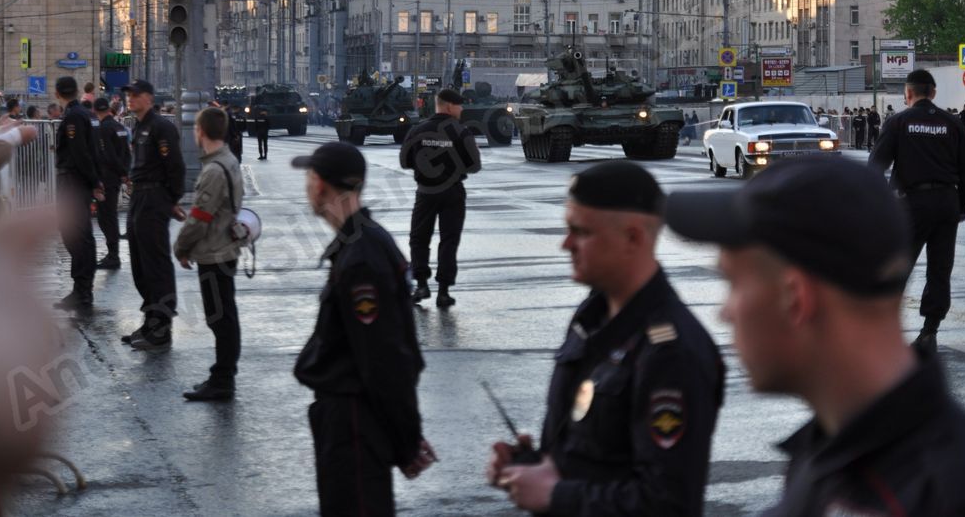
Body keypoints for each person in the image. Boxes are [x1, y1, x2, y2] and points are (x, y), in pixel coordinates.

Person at [663, 156, 965, 517]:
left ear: (796, 298)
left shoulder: (964, 499)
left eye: (733, 284)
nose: (725, 312)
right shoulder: (835, 448)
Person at [487, 161, 725, 516]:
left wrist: (556, 494)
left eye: (580, 232)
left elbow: (667, 504)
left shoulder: (670, 353)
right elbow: (600, 457)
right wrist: (533, 465)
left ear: (633, 237)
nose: (565, 244)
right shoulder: (592, 319)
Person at [291, 142, 436, 516]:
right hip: (354, 420)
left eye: (309, 178)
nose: (307, 186)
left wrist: (405, 441)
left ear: (320, 184)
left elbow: (386, 358)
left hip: (353, 424)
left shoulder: (361, 259)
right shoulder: (365, 242)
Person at [868, 69, 965, 354]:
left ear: (908, 94)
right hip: (945, 203)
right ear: (933, 93)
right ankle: (930, 330)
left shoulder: (898, 122)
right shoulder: (951, 123)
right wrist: (961, 208)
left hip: (910, 204)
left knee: (897, 266)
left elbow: (875, 167)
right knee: (940, 269)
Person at [173, 107, 244, 401]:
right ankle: (222, 374)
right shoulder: (228, 161)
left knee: (220, 318)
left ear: (200, 131)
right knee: (224, 314)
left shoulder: (214, 170)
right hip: (223, 247)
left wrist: (181, 247)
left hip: (214, 252)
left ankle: (223, 379)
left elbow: (200, 216)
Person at [399, 87, 481, 308]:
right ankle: (443, 292)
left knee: (419, 239)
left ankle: (422, 285)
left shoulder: (418, 130)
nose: (462, 109)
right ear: (448, 106)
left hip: (425, 192)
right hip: (453, 193)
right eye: (459, 105)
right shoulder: (461, 131)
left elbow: (404, 162)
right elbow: (475, 166)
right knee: (449, 241)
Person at [121, 79, 185, 351]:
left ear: (148, 97)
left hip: (153, 197)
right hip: (139, 197)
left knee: (156, 265)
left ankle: (161, 328)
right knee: (140, 263)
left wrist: (169, 200)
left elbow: (175, 167)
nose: (130, 99)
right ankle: (150, 320)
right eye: (128, 95)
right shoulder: (140, 126)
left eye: (135, 95)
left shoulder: (161, 127)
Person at [53, 76, 103, 315]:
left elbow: (80, 152)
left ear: (57, 93)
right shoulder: (87, 114)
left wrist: (94, 181)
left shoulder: (74, 116)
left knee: (75, 234)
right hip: (80, 179)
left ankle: (83, 290)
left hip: (73, 180)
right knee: (80, 235)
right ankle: (82, 288)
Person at [93, 97, 132, 269]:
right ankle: (113, 254)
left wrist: (120, 172)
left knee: (105, 217)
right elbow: (127, 153)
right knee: (111, 215)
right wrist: (125, 172)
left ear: (95, 111)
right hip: (116, 177)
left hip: (107, 177)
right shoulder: (120, 127)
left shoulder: (103, 129)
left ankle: (113, 255)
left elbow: (107, 155)